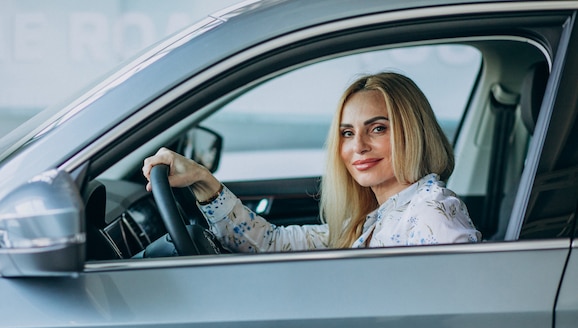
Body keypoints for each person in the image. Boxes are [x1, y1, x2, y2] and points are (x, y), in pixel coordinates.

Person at [142, 72, 481, 253]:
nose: (358, 147)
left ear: (414, 131)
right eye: (347, 133)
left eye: (378, 128)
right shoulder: (369, 219)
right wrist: (203, 180)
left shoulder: (430, 213)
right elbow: (271, 243)